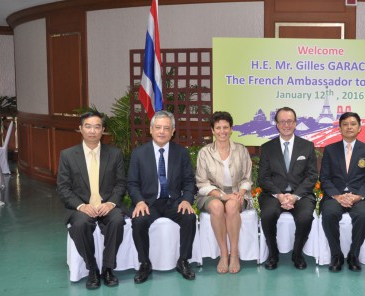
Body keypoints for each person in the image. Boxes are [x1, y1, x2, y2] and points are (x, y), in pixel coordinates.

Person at [57, 111, 125, 289]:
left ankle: (108, 267)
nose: (92, 131)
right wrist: (81, 206)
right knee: (80, 225)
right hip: (81, 206)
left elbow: (120, 184)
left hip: (107, 204)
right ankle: (92, 269)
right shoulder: (68, 155)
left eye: (97, 127)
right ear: (80, 129)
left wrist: (110, 203)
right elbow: (63, 188)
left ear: (103, 130)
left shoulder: (115, 154)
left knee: (117, 220)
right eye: (88, 126)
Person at [128, 110, 197, 283]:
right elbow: (132, 183)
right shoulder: (139, 153)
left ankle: (183, 260)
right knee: (139, 221)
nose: (162, 132)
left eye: (166, 128)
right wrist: (139, 202)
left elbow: (189, 181)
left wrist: (187, 200)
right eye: (158, 127)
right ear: (151, 130)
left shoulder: (181, 153)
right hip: (149, 203)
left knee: (189, 217)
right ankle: (145, 263)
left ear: (173, 131)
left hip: (174, 201)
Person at [258, 107, 318, 270]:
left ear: (295, 123)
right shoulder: (267, 148)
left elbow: (312, 176)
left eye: (290, 121)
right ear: (277, 125)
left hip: (301, 194)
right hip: (274, 194)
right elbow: (263, 178)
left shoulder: (307, 146)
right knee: (268, 215)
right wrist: (279, 195)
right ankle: (273, 254)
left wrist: (295, 196)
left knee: (306, 217)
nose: (286, 125)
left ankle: (297, 254)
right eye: (282, 121)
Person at [195, 111, 252, 274]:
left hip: (237, 193)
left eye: (225, 127)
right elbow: (202, 183)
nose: (222, 131)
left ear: (231, 129)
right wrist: (222, 196)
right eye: (218, 128)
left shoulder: (241, 150)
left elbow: (247, 178)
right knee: (218, 207)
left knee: (233, 205)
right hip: (211, 194)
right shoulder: (204, 153)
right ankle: (223, 254)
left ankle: (234, 254)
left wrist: (240, 193)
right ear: (212, 130)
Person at [320, 112, 365, 272]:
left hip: (359, 197)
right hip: (335, 196)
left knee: (364, 215)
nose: (349, 127)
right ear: (340, 128)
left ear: (359, 128)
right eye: (345, 124)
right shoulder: (330, 150)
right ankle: (336, 255)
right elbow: (324, 178)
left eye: (353, 124)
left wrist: (358, 196)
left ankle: (353, 255)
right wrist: (337, 196)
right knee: (329, 214)